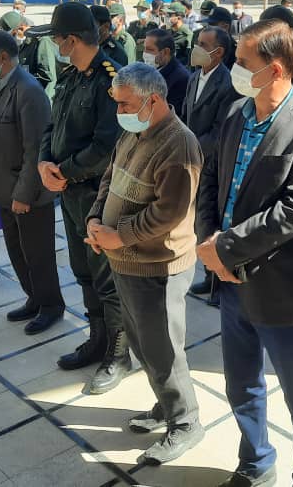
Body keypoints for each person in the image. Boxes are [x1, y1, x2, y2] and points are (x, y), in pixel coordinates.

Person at [196, 19, 293, 487]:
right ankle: (255, 460)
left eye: (242, 61)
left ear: (275, 69)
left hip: (280, 285)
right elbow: (212, 179)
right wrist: (209, 240)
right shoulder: (236, 113)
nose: (234, 68)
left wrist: (225, 249)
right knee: (241, 383)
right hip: (230, 282)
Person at [85, 63, 205, 463]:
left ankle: (185, 423)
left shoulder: (179, 144)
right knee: (143, 344)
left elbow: (169, 212)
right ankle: (167, 406)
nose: (118, 110)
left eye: (124, 104)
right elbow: (110, 178)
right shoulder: (133, 131)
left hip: (158, 266)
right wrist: (95, 220)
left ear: (153, 100)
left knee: (164, 349)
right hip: (125, 261)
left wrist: (119, 235)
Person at [33, 3, 127, 382]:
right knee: (83, 271)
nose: (56, 46)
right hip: (70, 192)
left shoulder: (111, 79)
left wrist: (64, 173)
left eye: (57, 39)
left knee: (107, 278)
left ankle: (118, 354)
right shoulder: (70, 76)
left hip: (96, 194)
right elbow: (51, 127)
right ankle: (97, 339)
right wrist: (44, 163)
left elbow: (107, 145)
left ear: (71, 40)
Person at [0, 31, 64, 335]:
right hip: (3, 188)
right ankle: (34, 298)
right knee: (17, 252)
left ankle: (50, 306)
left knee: (38, 255)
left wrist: (24, 194)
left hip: (27, 193)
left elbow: (35, 149)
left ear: (2, 57)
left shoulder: (28, 91)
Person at [183, 26, 239, 301]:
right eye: (197, 42)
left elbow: (220, 131)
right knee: (199, 222)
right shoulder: (195, 77)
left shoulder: (228, 84)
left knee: (212, 221)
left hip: (212, 163)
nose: (197, 48)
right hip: (192, 159)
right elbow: (186, 114)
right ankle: (209, 275)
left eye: (203, 44)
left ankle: (219, 282)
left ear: (218, 53)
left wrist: (190, 148)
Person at [144, 29, 190, 116]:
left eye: (150, 49)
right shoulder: (152, 69)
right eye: (145, 48)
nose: (145, 53)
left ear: (166, 52)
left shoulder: (180, 78)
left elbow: (170, 115)